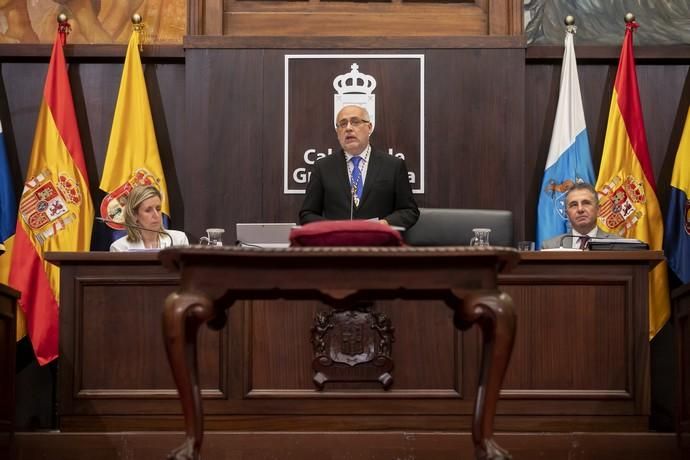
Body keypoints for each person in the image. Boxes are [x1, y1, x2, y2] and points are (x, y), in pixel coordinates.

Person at [299, 105, 419, 229]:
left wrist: (383, 224)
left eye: (355, 122)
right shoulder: (323, 167)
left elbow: (409, 211)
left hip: (379, 244)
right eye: (343, 124)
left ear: (369, 127)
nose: (348, 128)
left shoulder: (393, 165)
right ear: (337, 132)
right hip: (337, 244)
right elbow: (307, 214)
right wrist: (334, 227)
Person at [109, 185, 188, 251]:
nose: (156, 215)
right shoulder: (120, 248)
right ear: (135, 215)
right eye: (148, 210)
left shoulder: (179, 240)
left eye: (158, 209)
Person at [541, 182, 618, 249]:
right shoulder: (550, 246)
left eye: (586, 203)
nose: (580, 209)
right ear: (567, 214)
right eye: (574, 205)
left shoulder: (618, 245)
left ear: (598, 210)